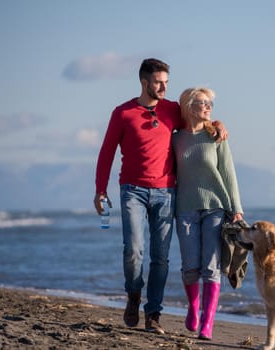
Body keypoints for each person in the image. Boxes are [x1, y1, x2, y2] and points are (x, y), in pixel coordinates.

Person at [93, 59, 226, 334]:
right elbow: (106, 152)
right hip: (133, 190)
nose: (164, 87)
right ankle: (133, 294)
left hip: (167, 192)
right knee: (133, 250)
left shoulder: (172, 111)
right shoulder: (123, 113)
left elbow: (196, 118)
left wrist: (217, 122)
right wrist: (100, 190)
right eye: (158, 82)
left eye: (166, 81)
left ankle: (153, 313)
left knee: (161, 257)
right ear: (144, 82)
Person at [172, 87, 244, 340]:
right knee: (190, 266)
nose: (208, 107)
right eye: (202, 103)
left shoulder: (216, 136)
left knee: (210, 267)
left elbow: (228, 173)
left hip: (215, 208)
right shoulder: (176, 138)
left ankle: (208, 321)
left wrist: (236, 208)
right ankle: (193, 308)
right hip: (185, 208)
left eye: (210, 103)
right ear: (189, 106)